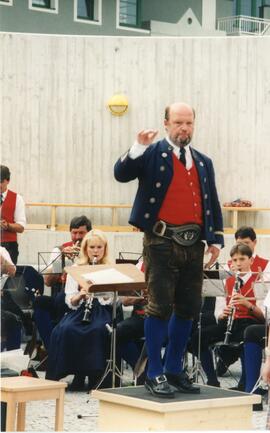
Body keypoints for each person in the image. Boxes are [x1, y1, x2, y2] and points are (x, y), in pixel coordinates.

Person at [114, 102, 224, 398]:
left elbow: (210, 199)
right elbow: (121, 173)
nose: (184, 128)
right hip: (161, 241)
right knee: (159, 307)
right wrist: (137, 145)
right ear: (166, 123)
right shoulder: (151, 153)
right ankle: (154, 372)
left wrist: (215, 239)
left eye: (188, 123)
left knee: (188, 308)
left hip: (194, 243)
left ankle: (174, 369)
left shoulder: (203, 161)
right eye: (178, 123)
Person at [45, 229, 114, 391]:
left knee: (97, 330)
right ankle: (77, 373)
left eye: (99, 247)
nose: (95, 251)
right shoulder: (76, 267)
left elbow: (111, 298)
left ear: (104, 249)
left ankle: (94, 375)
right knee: (65, 329)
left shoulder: (108, 268)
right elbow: (69, 297)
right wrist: (80, 296)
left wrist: (98, 293)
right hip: (79, 308)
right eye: (92, 247)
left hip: (101, 308)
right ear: (85, 249)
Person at [191, 243, 265, 387]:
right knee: (197, 337)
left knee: (246, 338)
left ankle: (245, 383)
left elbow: (263, 316)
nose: (239, 263)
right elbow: (217, 311)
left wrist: (248, 304)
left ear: (251, 261)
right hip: (229, 323)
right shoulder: (226, 281)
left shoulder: (259, 282)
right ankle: (212, 380)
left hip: (250, 323)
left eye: (242, 259)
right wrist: (222, 314)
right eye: (235, 260)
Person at [217, 226, 270, 378]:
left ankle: (232, 363)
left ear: (255, 243)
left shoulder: (265, 267)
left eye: (246, 243)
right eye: (239, 243)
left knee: (247, 332)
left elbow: (265, 304)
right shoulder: (228, 266)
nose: (243, 247)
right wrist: (222, 314)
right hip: (233, 318)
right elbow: (220, 299)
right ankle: (222, 360)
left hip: (253, 317)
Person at [33, 215, 92, 350]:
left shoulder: (95, 248)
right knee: (39, 302)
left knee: (60, 299)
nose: (77, 237)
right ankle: (51, 347)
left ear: (88, 233)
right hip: (63, 295)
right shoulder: (60, 250)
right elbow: (48, 282)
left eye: (81, 233)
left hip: (86, 298)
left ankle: (63, 345)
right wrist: (62, 260)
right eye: (74, 233)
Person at [0, 165, 26, 264]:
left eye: (1, 182)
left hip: (9, 246)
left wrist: (8, 225)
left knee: (8, 278)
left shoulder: (17, 199)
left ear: (8, 181)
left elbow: (21, 227)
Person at [1, 246, 22, 351]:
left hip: (3, 298)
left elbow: (12, 272)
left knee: (13, 318)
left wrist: (2, 259)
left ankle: (11, 357)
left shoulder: (2, 251)